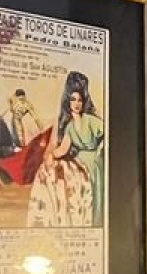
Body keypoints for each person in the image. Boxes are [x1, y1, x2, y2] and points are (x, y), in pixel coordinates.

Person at [25, 71, 107, 229]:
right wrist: (50, 156)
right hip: (77, 162)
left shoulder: (91, 120)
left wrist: (101, 148)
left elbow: (107, 133)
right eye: (73, 100)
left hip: (93, 163)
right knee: (51, 172)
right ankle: (55, 217)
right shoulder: (68, 125)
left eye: (79, 100)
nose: (76, 103)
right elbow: (62, 148)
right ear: (67, 100)